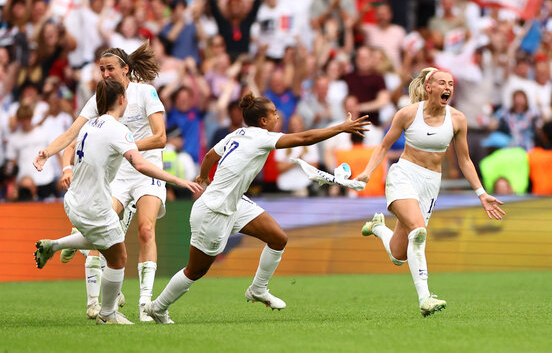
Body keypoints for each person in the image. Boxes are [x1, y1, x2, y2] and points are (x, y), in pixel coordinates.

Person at [143, 94, 370, 324]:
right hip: (214, 211)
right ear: (263, 120)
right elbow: (306, 137)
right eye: (273, 113)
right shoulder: (261, 137)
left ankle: (258, 289)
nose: (277, 115)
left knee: (278, 238)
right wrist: (341, 128)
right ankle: (157, 308)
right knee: (195, 271)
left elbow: (211, 155)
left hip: (234, 204)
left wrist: (203, 176)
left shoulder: (237, 133)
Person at [32, 78, 201, 324]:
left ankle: (56, 245)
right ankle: (108, 314)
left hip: (75, 202)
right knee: (118, 258)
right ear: (122, 100)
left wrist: (54, 158)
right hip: (95, 206)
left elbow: (70, 143)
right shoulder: (117, 130)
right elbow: (142, 164)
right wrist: (178, 180)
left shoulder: (90, 125)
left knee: (102, 240)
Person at [356, 68, 506, 317]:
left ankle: (378, 227)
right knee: (419, 231)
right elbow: (383, 146)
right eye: (442, 83)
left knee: (398, 255)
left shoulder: (457, 119)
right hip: (403, 175)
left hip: (430, 184)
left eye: (451, 84)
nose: (448, 87)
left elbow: (465, 160)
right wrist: (368, 172)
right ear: (429, 87)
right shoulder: (407, 114)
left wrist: (481, 193)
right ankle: (425, 298)